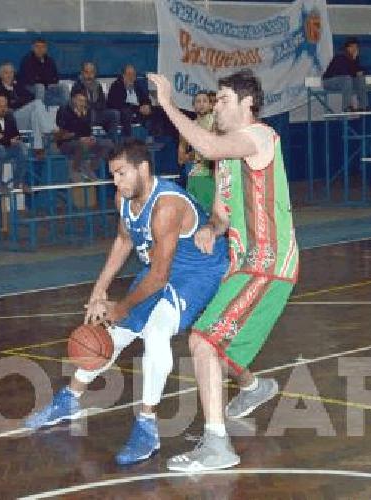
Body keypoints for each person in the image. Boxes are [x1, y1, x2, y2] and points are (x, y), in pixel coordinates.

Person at [23, 139, 229, 466]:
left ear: (143, 169)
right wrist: (98, 292)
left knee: (156, 332)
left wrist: (119, 307)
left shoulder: (167, 206)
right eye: (113, 175)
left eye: (121, 173)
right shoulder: (124, 198)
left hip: (198, 271)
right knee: (113, 334)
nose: (115, 181)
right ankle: (69, 399)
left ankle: (147, 426)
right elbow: (123, 241)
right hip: (162, 267)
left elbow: (160, 276)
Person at [148, 69, 299, 472]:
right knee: (216, 336)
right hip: (241, 262)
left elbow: (210, 146)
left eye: (224, 99)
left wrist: (166, 104)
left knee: (203, 342)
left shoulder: (260, 137)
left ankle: (217, 445)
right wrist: (213, 230)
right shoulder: (229, 162)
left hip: (268, 262)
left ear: (248, 104)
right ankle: (253, 386)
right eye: (215, 99)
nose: (217, 105)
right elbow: (221, 212)